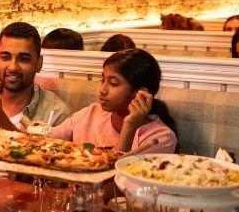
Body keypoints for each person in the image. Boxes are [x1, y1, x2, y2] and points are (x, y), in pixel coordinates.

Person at [49, 48, 178, 154]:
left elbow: (115, 178)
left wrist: (130, 125)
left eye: (113, 83)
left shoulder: (161, 138)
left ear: (140, 94)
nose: (102, 90)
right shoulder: (89, 113)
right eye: (102, 80)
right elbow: (45, 142)